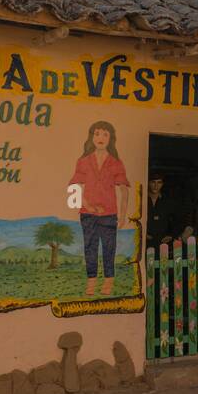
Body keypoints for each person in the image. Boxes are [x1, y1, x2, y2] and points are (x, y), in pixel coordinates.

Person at [69, 120, 129, 297]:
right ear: (91, 137)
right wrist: (88, 205)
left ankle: (108, 282)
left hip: (109, 214)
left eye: (105, 134)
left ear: (111, 138)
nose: (100, 138)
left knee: (109, 248)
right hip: (87, 214)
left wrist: (123, 215)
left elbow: (124, 191)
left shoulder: (116, 163)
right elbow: (74, 187)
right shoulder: (83, 161)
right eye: (97, 133)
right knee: (90, 248)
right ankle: (91, 282)